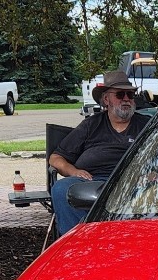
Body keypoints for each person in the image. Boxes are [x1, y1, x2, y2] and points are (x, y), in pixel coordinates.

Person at [49, 70, 150, 235]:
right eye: (120, 94)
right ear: (106, 99)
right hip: (93, 181)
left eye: (130, 95)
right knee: (62, 189)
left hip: (135, 181)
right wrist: (73, 171)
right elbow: (55, 158)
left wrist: (155, 172)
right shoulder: (91, 125)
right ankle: (78, 241)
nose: (126, 99)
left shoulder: (147, 125)